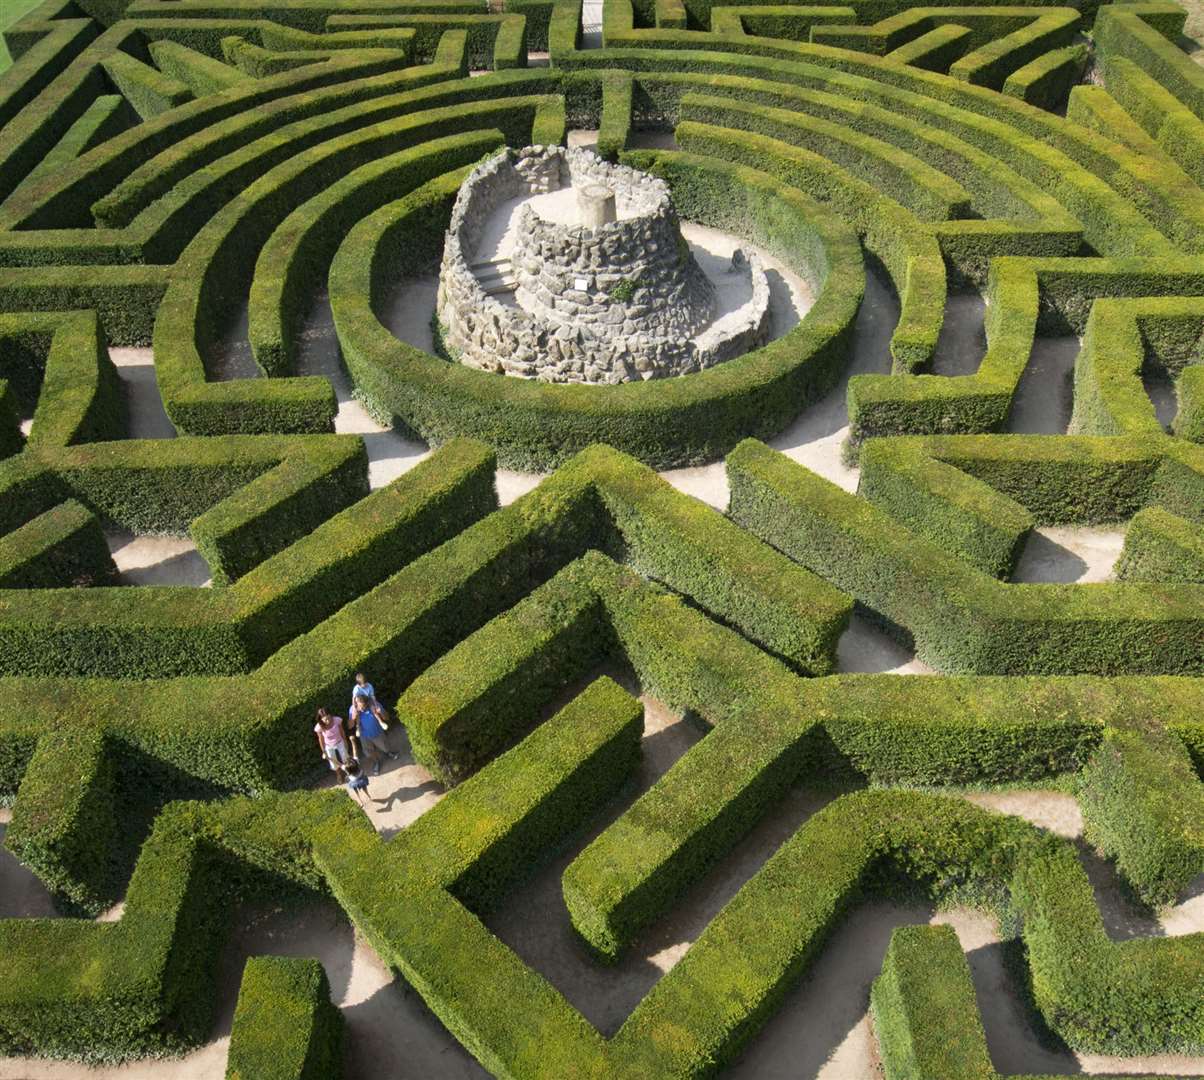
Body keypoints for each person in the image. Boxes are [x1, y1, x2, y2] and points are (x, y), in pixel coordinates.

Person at [349, 695, 398, 777]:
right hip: (364, 736)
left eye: (360, 703)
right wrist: (353, 718)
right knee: (369, 752)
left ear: (365, 702)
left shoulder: (373, 705)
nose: (358, 706)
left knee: (385, 746)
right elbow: (350, 726)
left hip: (377, 732)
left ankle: (389, 753)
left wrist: (381, 712)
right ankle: (376, 762)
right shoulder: (353, 709)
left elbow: (387, 717)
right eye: (356, 703)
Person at [314, 706, 351, 780]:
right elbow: (321, 739)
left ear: (330, 714)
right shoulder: (319, 727)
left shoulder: (337, 720)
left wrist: (345, 741)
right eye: (324, 718)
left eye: (328, 716)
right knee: (333, 762)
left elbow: (342, 731)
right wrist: (323, 751)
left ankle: (349, 772)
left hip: (340, 742)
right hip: (329, 746)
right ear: (321, 719)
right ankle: (339, 775)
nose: (327, 719)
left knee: (345, 758)